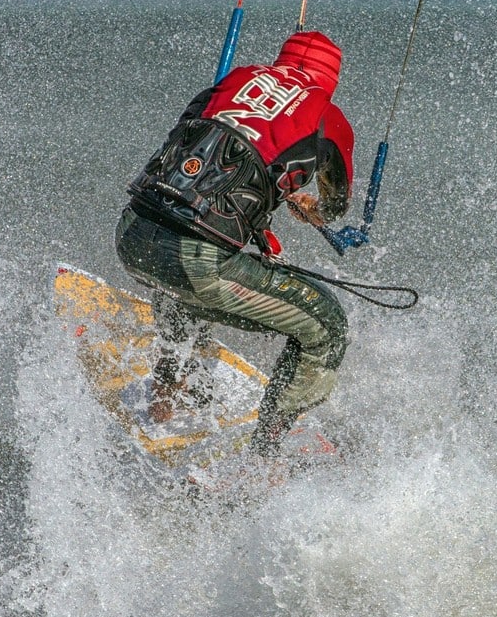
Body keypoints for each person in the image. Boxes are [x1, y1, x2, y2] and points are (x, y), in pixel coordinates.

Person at [116, 30, 354, 457]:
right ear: (330, 79)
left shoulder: (233, 79)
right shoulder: (327, 116)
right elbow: (335, 206)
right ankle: (264, 457)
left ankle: (165, 393)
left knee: (182, 273)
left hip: (132, 234)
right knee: (328, 327)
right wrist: (310, 206)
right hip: (196, 261)